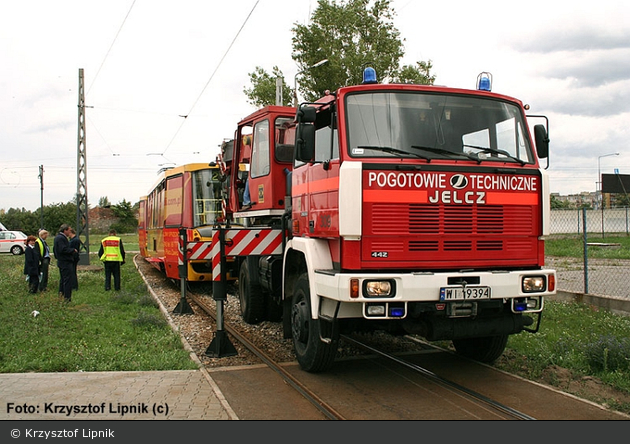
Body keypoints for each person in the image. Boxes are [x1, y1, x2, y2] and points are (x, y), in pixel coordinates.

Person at [53, 224, 77, 302]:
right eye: (69, 230)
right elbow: (62, 249)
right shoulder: (61, 238)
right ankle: (67, 298)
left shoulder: (59, 237)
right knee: (67, 280)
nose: (70, 232)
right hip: (65, 262)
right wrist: (72, 250)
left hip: (62, 261)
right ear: (65, 230)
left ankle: (61, 294)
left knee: (63, 279)